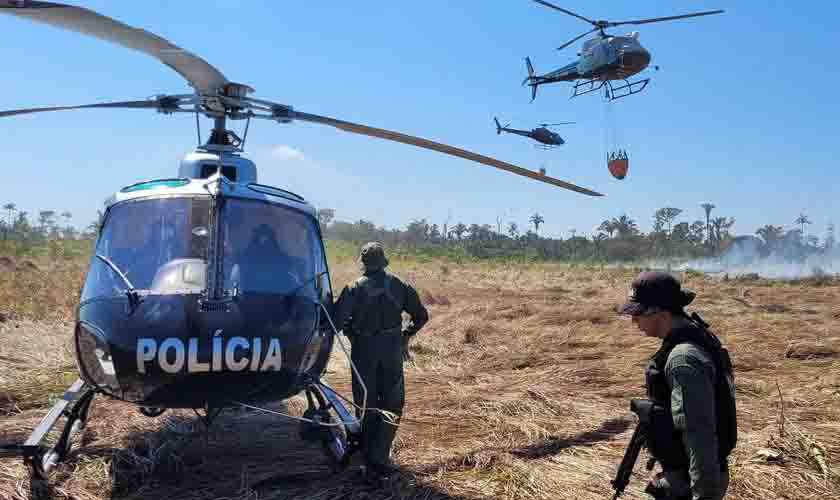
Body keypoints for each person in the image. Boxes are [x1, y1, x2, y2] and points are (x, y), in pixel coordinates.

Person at [618, 271, 736, 500]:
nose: (634, 321)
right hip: (684, 474)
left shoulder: (683, 359)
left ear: (659, 312)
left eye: (638, 313)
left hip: (690, 481)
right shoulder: (693, 337)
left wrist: (704, 494)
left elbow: (699, 433)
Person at [330, 242, 429, 482]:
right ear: (383, 262)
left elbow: (335, 321)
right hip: (392, 351)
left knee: (366, 404)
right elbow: (421, 316)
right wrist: (405, 335)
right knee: (393, 403)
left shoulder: (353, 289)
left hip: (364, 352)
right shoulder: (400, 286)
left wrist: (351, 331)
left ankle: (368, 456)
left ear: (363, 264)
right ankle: (380, 455)